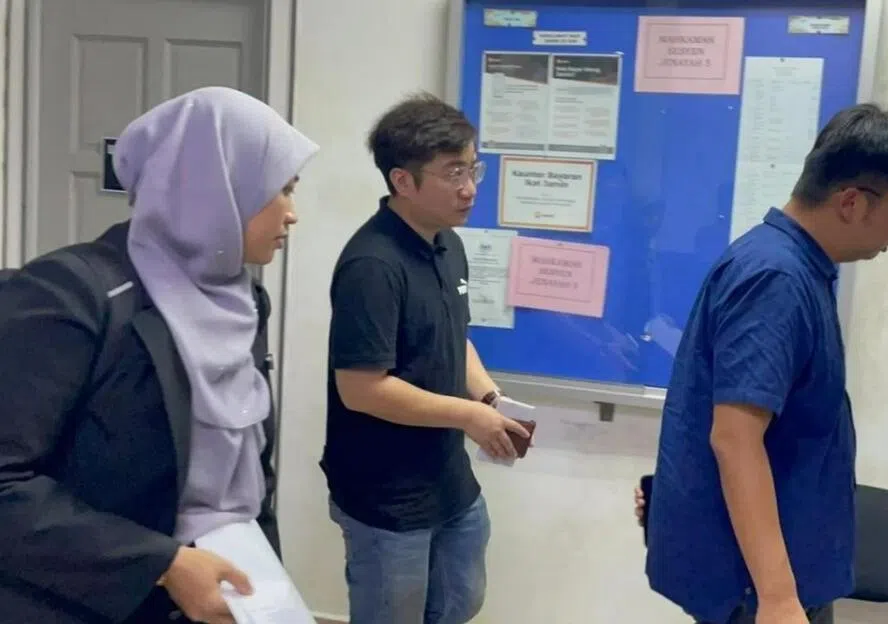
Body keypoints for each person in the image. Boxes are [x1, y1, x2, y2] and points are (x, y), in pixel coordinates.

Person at [0, 86, 319, 624]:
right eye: (280, 190)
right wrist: (160, 564)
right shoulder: (70, 294)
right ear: (215, 190)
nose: (292, 215)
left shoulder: (243, 301)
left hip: (219, 592)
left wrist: (266, 590)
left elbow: (247, 475)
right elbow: (7, 481)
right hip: (85, 602)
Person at [644, 103, 888, 624]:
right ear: (852, 202)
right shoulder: (776, 278)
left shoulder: (792, 264)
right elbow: (735, 438)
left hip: (773, 573)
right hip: (760, 589)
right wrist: (779, 597)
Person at [321, 92, 529, 624]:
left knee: (461, 602)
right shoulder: (372, 265)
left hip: (448, 481)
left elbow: (454, 338)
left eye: (473, 168)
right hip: (386, 496)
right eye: (453, 172)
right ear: (403, 181)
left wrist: (489, 397)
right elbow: (362, 388)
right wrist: (469, 416)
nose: (470, 187)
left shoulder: (446, 243)